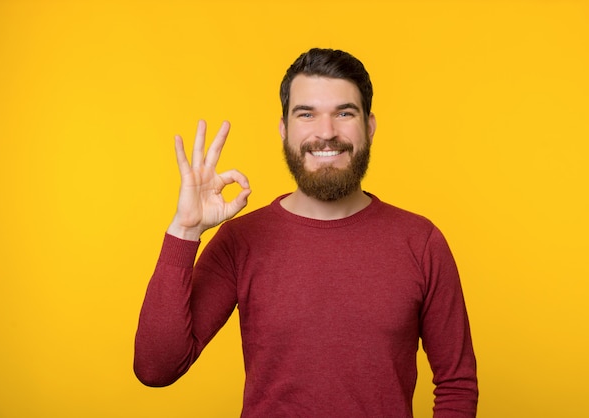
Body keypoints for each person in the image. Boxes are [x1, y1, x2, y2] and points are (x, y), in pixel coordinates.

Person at [134, 48, 478, 417]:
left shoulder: (421, 242)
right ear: (284, 129)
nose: (326, 133)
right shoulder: (241, 241)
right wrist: (184, 231)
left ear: (370, 126)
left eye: (344, 113)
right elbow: (157, 369)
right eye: (307, 114)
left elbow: (456, 384)